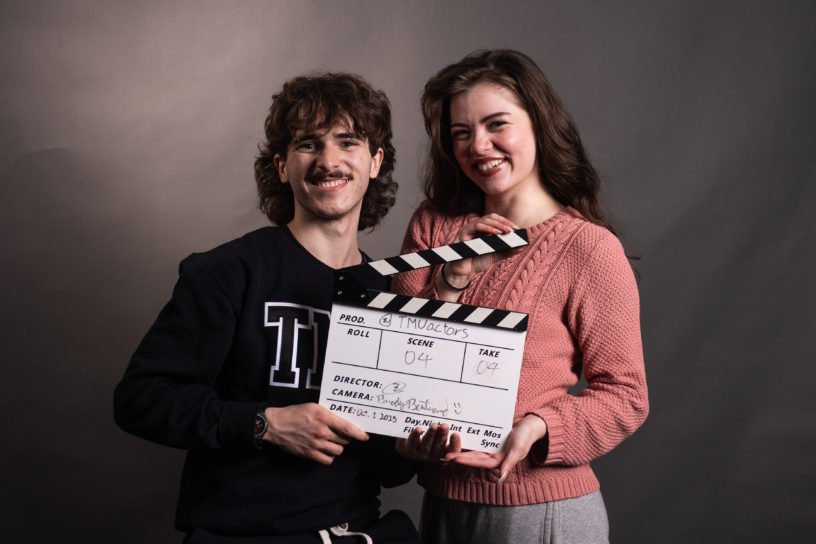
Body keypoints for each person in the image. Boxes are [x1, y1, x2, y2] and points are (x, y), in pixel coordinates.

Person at [114, 73, 424, 543]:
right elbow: (139, 399)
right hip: (246, 535)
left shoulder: (388, 293)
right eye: (308, 144)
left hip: (357, 532)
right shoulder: (227, 273)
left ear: (375, 161)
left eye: (348, 142)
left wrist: (411, 447)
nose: (328, 161)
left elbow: (388, 469)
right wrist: (263, 424)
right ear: (281, 167)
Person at [391, 49, 650, 543]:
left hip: (543, 507)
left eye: (497, 125)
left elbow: (627, 396)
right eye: (461, 132)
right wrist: (453, 275)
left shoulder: (589, 248)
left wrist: (538, 426)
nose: (479, 145)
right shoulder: (432, 224)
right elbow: (402, 358)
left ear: (538, 124)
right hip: (444, 502)